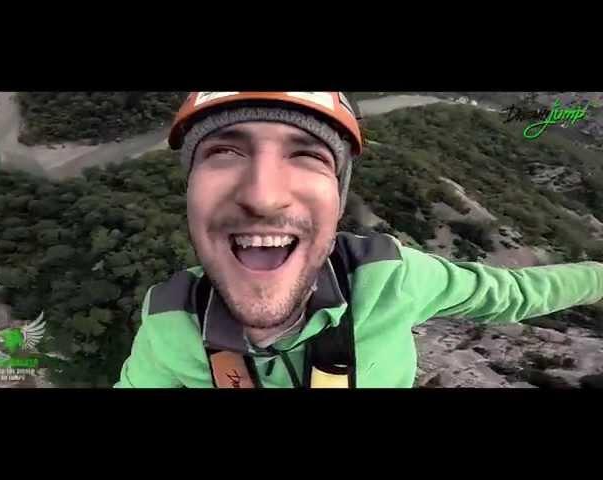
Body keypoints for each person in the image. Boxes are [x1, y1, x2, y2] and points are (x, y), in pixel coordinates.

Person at [115, 92, 603, 388]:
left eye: (308, 156)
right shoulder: (169, 322)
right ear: (190, 191)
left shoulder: (390, 279)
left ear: (339, 200)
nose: (263, 196)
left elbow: (512, 295)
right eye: (223, 152)